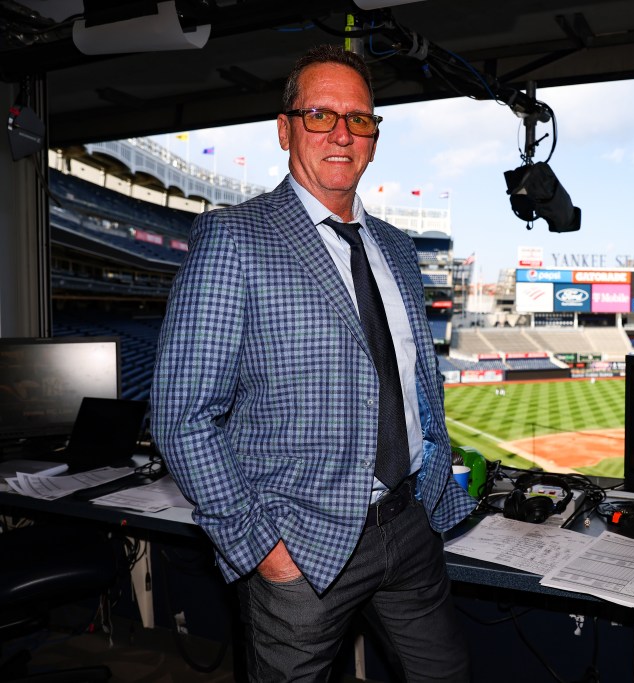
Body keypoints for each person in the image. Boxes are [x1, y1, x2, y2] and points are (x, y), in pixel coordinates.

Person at [150, 45, 475, 682]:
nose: (340, 133)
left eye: (359, 119)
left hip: (409, 524)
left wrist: (434, 481)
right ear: (284, 128)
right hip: (299, 543)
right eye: (319, 115)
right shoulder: (236, 239)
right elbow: (182, 415)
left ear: (374, 139)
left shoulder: (398, 250)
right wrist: (262, 548)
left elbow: (412, 385)